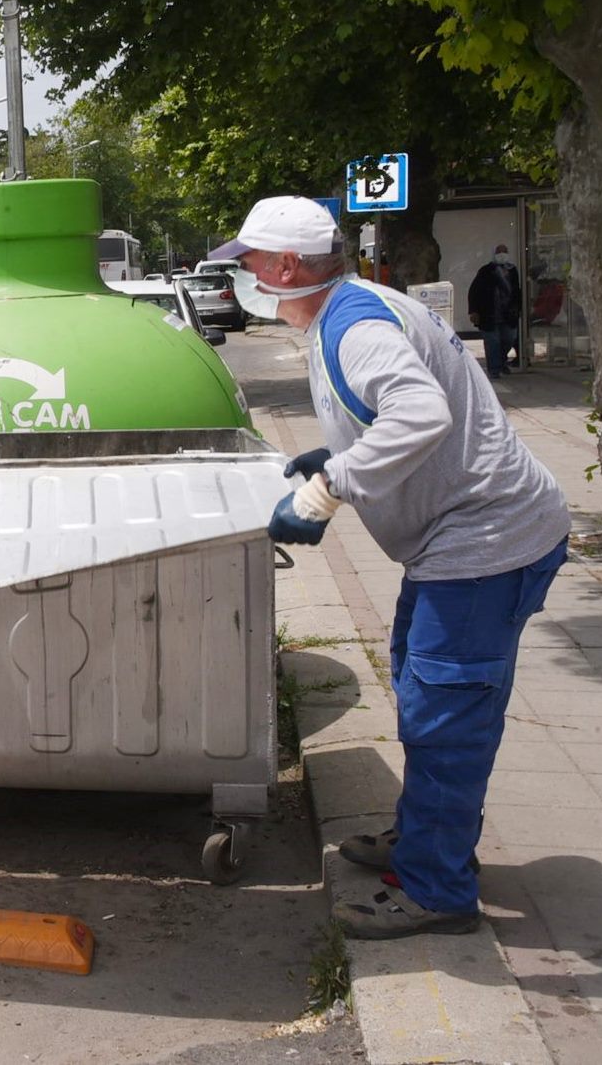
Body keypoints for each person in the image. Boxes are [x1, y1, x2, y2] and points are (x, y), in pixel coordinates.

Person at [209, 197, 569, 940]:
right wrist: (335, 457)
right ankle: (425, 838)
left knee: (444, 718)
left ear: (283, 267)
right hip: (462, 541)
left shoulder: (357, 327)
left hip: (484, 543)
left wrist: (326, 490)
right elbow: (394, 418)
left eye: (246, 262)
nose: (240, 275)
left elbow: (418, 416)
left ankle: (437, 891)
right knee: (418, 685)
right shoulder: (354, 305)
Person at [467, 244, 522, 379]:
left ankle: (501, 361)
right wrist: (473, 311)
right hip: (489, 314)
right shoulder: (486, 271)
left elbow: (517, 291)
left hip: (508, 314)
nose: (502, 254)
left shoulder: (512, 270)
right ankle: (494, 369)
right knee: (492, 342)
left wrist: (518, 308)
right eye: (499, 252)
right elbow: (474, 291)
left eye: (505, 251)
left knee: (509, 339)